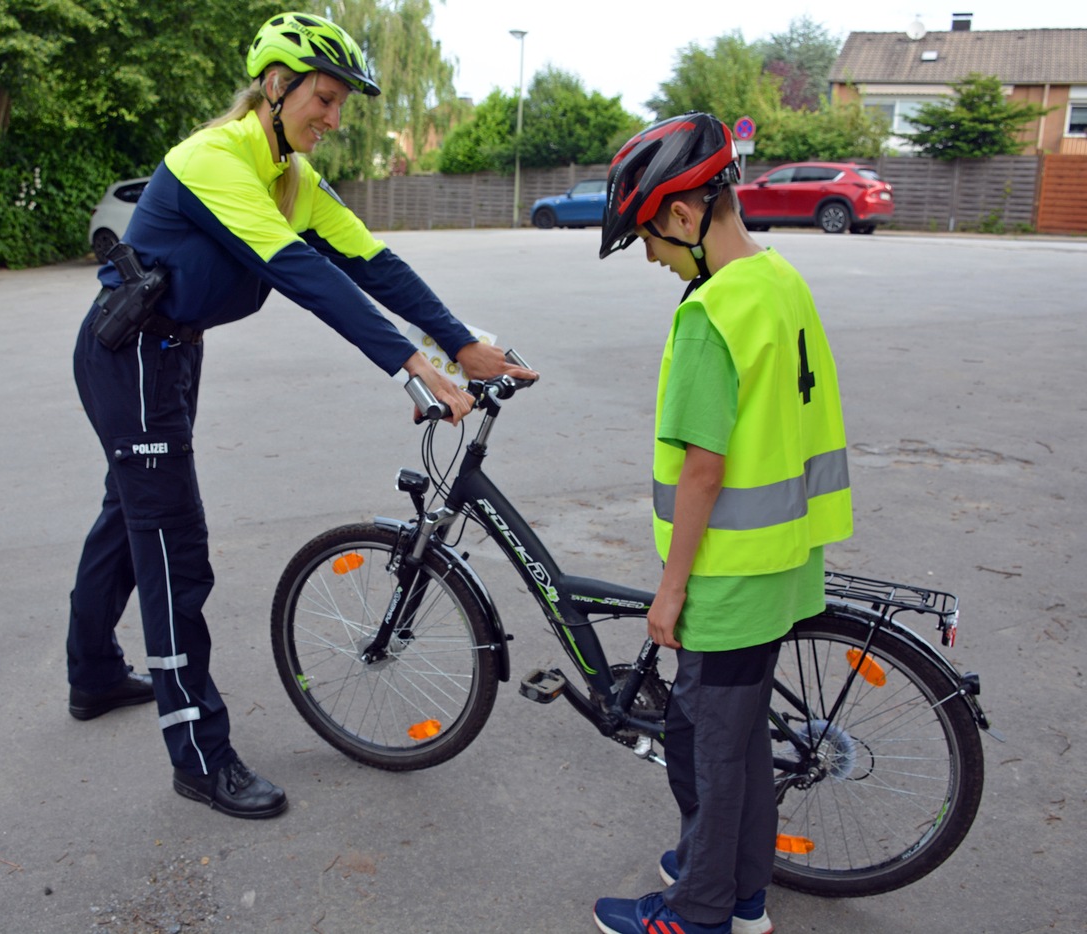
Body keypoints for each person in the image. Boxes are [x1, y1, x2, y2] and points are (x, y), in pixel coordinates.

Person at [65, 11, 536, 821]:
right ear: (276, 87)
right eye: (324, 97)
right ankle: (200, 753)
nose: (335, 116)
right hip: (132, 353)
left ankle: (92, 672)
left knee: (131, 509)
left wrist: (462, 344)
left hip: (172, 352)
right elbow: (300, 275)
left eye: (343, 103)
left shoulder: (291, 179)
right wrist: (411, 364)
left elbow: (370, 263)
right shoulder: (213, 158)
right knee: (172, 544)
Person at [592, 114, 853, 933]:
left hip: (728, 579)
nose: (649, 257)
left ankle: (699, 913)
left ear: (682, 215)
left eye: (647, 238)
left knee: (709, 751)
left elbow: (703, 468)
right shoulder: (779, 281)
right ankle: (739, 891)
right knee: (731, 744)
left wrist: (668, 594)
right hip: (783, 565)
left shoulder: (709, 314)